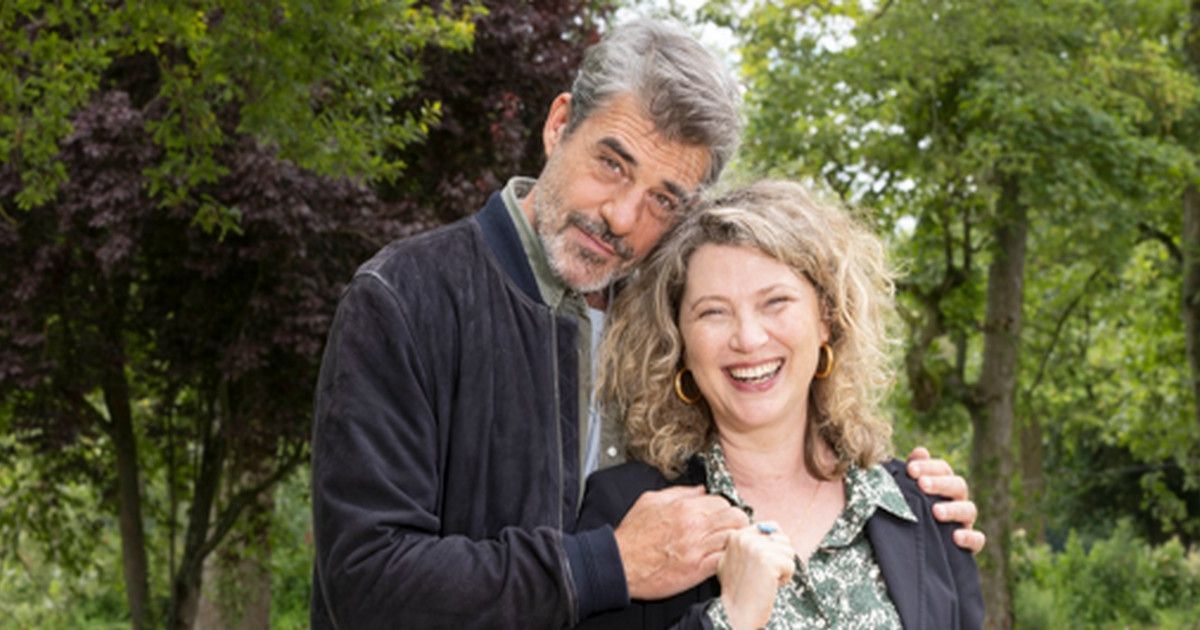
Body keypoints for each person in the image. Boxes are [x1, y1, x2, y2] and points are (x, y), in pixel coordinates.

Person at [310, 20, 981, 629]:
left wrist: (906, 517)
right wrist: (606, 563)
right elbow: (365, 584)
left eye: (664, 199)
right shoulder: (407, 298)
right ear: (558, 125)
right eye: (611, 163)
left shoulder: (672, 318)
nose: (624, 217)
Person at [577, 180, 984, 629]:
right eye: (714, 312)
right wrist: (729, 620)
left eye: (776, 303)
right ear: (680, 342)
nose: (748, 338)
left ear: (826, 318)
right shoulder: (630, 513)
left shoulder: (923, 511)